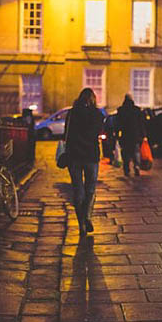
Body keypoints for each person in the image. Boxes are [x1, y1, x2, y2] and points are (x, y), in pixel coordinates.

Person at [65, 88, 104, 237]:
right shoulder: (97, 115)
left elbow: (66, 134)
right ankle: (87, 216)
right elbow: (99, 132)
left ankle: (81, 224)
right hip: (91, 156)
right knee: (90, 189)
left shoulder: (72, 113)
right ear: (93, 99)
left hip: (74, 156)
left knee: (78, 190)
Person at [116, 94, 146, 176]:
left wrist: (116, 134)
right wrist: (143, 134)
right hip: (135, 134)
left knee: (126, 153)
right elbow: (141, 123)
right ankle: (136, 166)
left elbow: (117, 124)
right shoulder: (137, 110)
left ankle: (127, 169)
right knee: (136, 151)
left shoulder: (121, 110)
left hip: (125, 135)